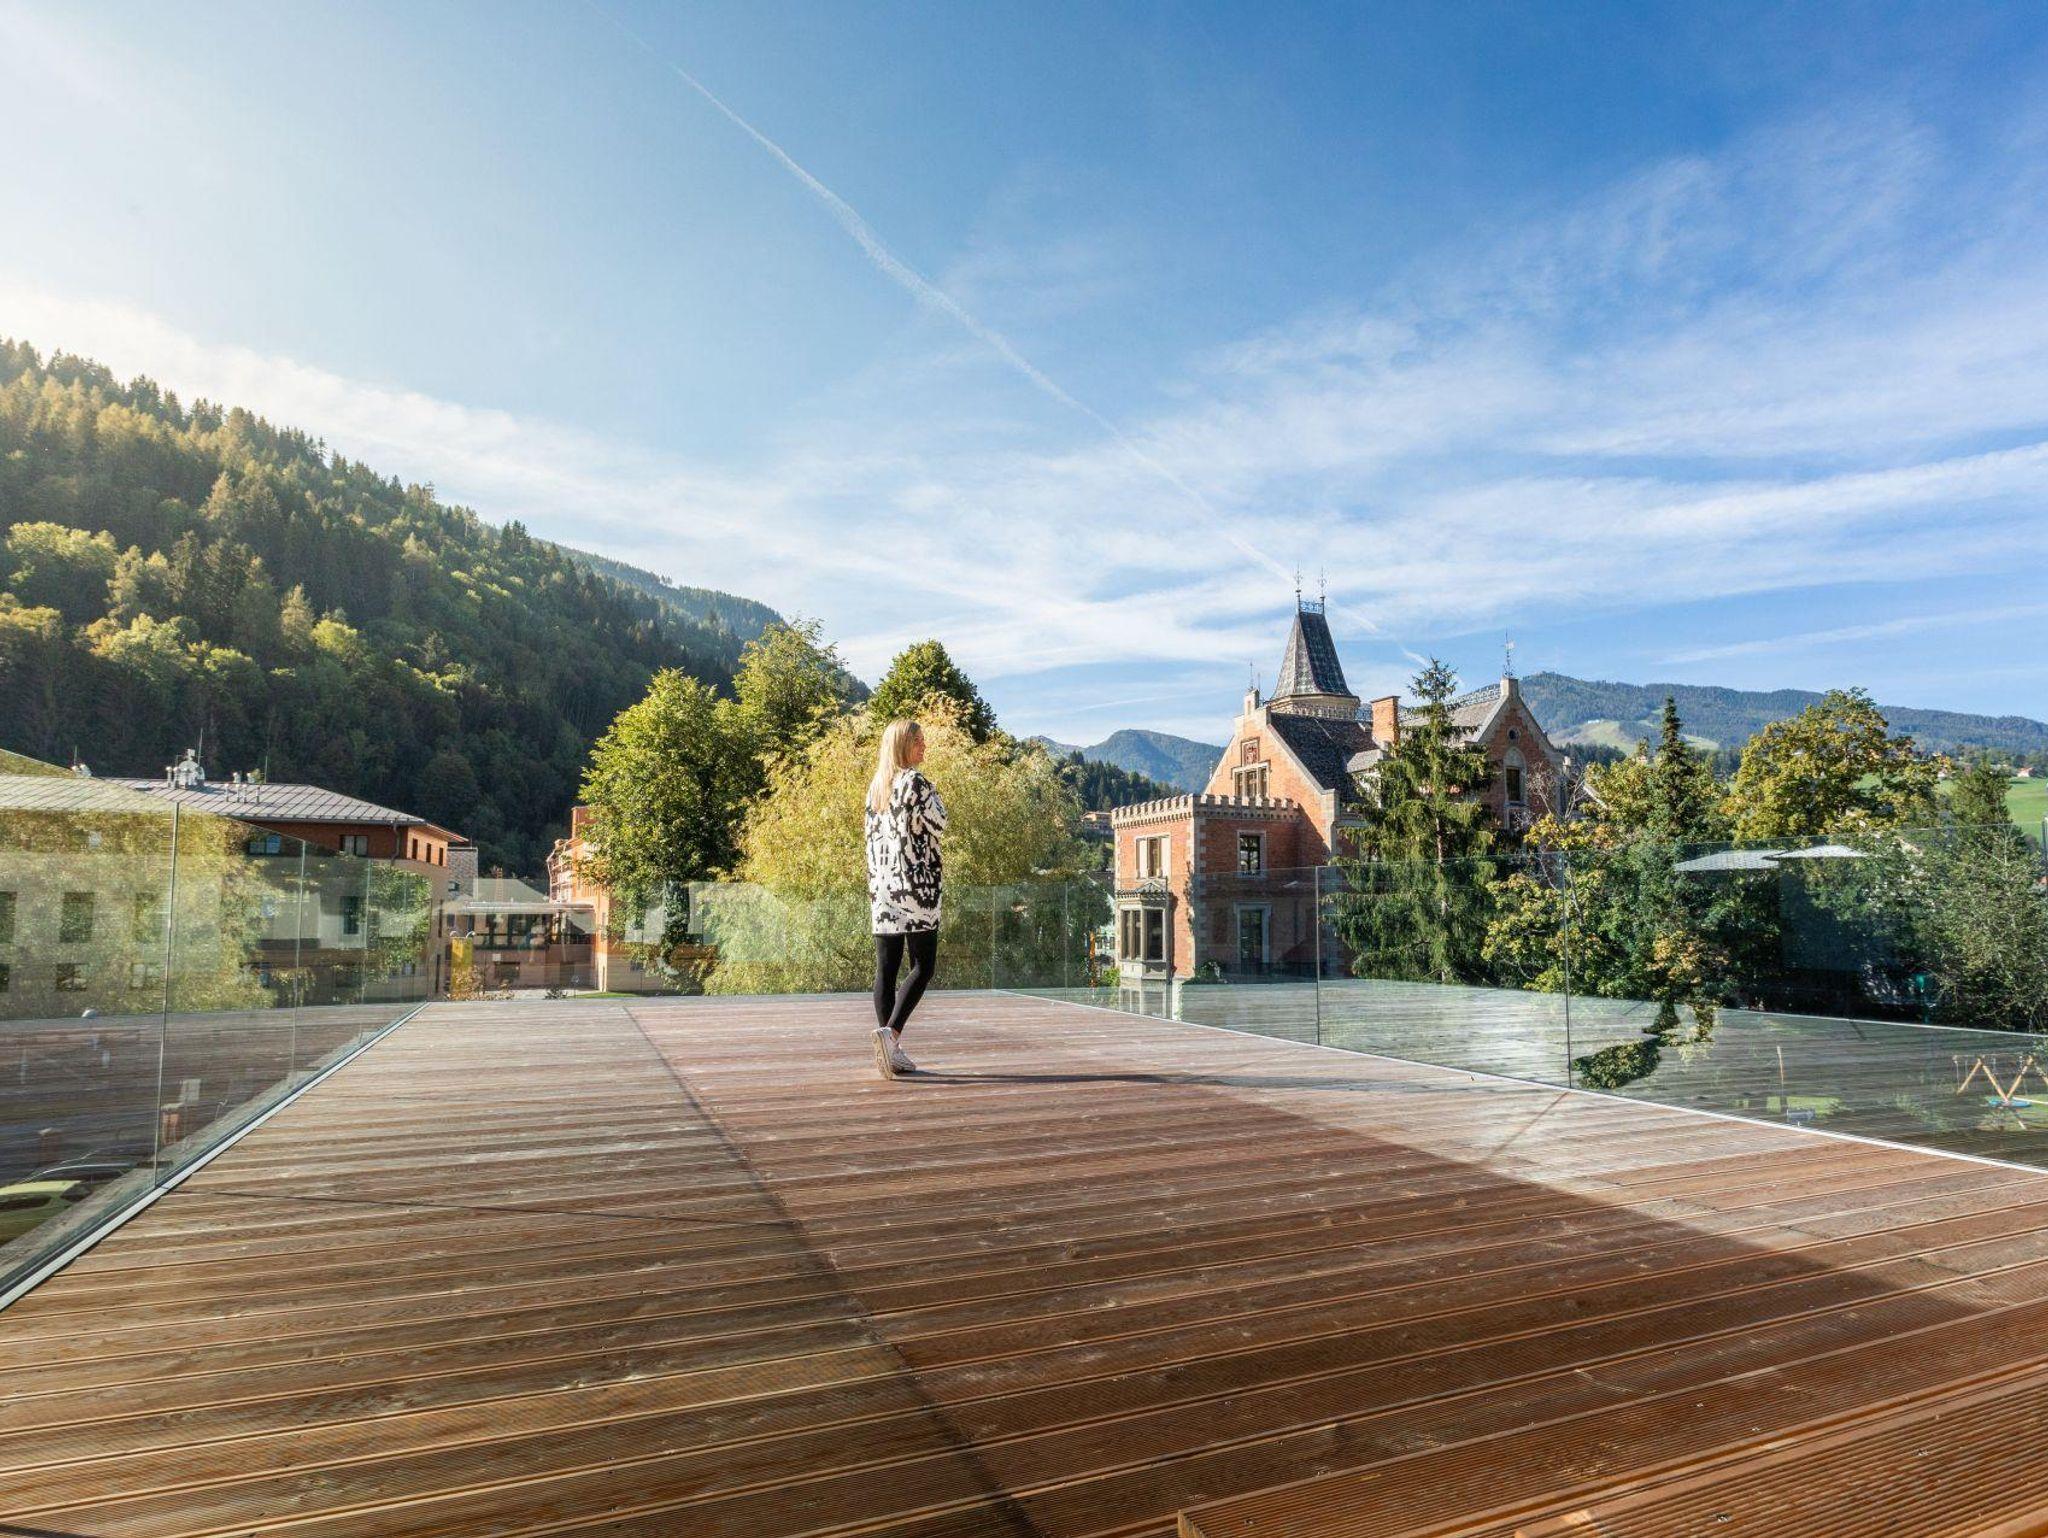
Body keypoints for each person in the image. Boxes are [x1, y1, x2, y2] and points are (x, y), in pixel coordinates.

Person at [865, 718, 947, 1078]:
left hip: (882, 887)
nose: (924, 746)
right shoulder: (916, 782)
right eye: (918, 741)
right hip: (916, 886)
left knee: (886, 968)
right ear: (902, 745)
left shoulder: (876, 788)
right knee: (923, 965)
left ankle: (891, 1052)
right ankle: (892, 1035)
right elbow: (940, 822)